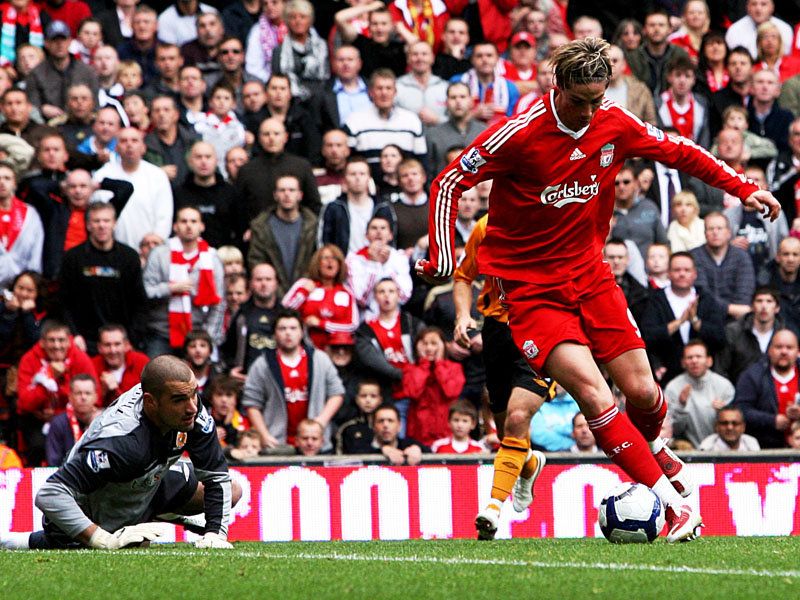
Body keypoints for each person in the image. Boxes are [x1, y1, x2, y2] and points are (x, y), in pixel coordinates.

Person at [419, 38, 782, 543]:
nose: (591, 111)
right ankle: (674, 505)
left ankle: (653, 445)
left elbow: (681, 152)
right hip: (531, 292)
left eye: (599, 98)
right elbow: (449, 181)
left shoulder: (614, 121)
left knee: (642, 392)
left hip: (591, 277)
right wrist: (440, 253)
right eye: (581, 100)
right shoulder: (519, 134)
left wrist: (743, 187)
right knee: (594, 394)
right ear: (557, 86)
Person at [0, 355, 240, 550]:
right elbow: (51, 494)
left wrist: (215, 535)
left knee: (233, 490)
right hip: (93, 505)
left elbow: (215, 477)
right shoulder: (122, 441)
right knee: (132, 543)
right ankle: (41, 540)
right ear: (151, 401)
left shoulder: (190, 406)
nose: (192, 407)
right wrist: (103, 539)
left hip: (146, 481)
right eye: (179, 399)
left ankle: (155, 513)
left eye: (193, 394)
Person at [453, 212, 553, 539]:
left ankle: (493, 508)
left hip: (541, 327)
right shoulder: (485, 227)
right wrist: (461, 316)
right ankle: (528, 466)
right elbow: (463, 276)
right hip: (497, 330)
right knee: (506, 427)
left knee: (518, 416)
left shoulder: (552, 221)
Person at [241, 309, 344, 452]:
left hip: (315, 443)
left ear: (302, 332)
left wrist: (320, 422)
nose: (288, 333)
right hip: (278, 442)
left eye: (293, 328)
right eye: (282, 328)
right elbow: (251, 404)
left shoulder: (319, 359)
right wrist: (264, 434)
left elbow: (337, 393)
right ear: (274, 333)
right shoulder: (263, 364)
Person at [59, 202, 146, 355]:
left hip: (120, 341)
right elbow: (64, 301)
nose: (102, 226)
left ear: (114, 223)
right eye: (96, 221)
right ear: (88, 225)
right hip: (85, 341)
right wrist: (74, 334)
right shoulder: (73, 257)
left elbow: (139, 302)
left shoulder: (129, 257)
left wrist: (131, 338)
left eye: (106, 221)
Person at [143, 205, 225, 358]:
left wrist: (208, 336)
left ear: (201, 226)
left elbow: (219, 302)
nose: (188, 225)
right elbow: (146, 290)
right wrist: (171, 288)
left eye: (193, 221)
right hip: (162, 332)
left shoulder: (212, 258)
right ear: (175, 226)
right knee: (155, 379)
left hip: (197, 335)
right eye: (184, 221)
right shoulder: (159, 254)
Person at [16, 319, 97, 466]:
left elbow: (93, 394)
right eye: (51, 340)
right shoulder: (29, 360)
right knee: (36, 445)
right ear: (42, 342)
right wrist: (49, 378)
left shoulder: (80, 358)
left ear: (69, 341)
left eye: (61, 340)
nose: (57, 345)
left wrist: (58, 414)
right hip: (38, 420)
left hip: (71, 416)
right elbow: (25, 403)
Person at [641, 251, 726, 385]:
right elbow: (648, 336)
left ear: (694, 274)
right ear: (668, 273)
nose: (682, 274)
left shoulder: (706, 298)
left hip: (704, 376)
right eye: (677, 270)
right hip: (666, 373)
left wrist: (695, 322)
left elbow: (720, 337)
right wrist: (679, 322)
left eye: (687, 270)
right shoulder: (655, 300)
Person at [93, 127, 174, 251]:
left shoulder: (157, 176)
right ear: (116, 147)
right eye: (124, 141)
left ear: (143, 147)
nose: (129, 145)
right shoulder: (102, 175)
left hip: (149, 249)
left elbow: (164, 214)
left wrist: (156, 239)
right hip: (110, 249)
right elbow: (95, 212)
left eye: (134, 141)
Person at [343, 69, 427, 179]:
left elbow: (421, 162)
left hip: (405, 188)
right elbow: (349, 161)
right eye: (379, 88)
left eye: (388, 88)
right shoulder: (354, 121)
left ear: (395, 92)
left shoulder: (412, 121)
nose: (384, 93)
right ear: (370, 92)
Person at [235, 117, 321, 222]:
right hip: (258, 234)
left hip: (296, 232)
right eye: (266, 134)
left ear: (285, 137)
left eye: (276, 134)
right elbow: (239, 208)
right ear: (259, 138)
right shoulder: (247, 170)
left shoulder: (301, 166)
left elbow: (313, 204)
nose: (271, 138)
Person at [246, 173, 318, 295]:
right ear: (275, 195)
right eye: (282, 190)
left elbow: (317, 261)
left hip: (308, 293)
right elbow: (256, 261)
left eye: (291, 190)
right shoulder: (261, 227)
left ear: (300, 195)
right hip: (272, 297)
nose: (287, 194)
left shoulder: (314, 226)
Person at [282, 244, 358, 350]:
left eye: (334, 258)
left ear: (340, 265)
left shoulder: (346, 292)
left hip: (337, 351)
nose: (330, 261)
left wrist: (321, 324)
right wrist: (303, 293)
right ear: (318, 263)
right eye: (325, 258)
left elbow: (352, 326)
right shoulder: (303, 284)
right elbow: (284, 311)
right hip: (304, 347)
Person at [734, 328, 800, 448]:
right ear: (769, 350)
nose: (784, 352)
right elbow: (741, 410)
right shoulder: (752, 376)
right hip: (764, 448)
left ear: (797, 351)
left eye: (789, 347)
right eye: (779, 347)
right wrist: (771, 420)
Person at [173, 141, 244, 251]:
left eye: (208, 157)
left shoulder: (230, 192)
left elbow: (240, 229)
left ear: (216, 161)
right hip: (186, 256)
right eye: (198, 157)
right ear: (190, 162)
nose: (203, 161)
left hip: (223, 257)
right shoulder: (178, 193)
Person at [664, 340, 735, 448]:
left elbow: (735, 425)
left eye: (699, 356)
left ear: (709, 361)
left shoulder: (724, 386)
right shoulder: (673, 388)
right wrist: (681, 407)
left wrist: (722, 412)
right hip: (687, 450)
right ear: (683, 362)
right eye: (690, 357)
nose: (694, 361)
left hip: (721, 449)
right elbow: (670, 431)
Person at [402, 326, 465, 447]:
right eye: (425, 343)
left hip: (445, 432)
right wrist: (424, 364)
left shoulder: (454, 368)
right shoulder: (411, 369)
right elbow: (412, 392)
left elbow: (451, 392)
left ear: (443, 345)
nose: (429, 348)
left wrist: (439, 363)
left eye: (434, 343)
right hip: (418, 434)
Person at [319, 156, 394, 256]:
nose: (357, 178)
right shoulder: (333, 208)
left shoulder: (383, 208)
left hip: (377, 265)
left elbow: (392, 241)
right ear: (345, 179)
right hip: (343, 267)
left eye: (362, 174)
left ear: (369, 178)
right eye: (353, 174)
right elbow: (324, 242)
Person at [25, 20, 98, 120]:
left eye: (63, 40)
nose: (60, 44)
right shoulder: (36, 74)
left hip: (81, 123)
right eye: (55, 40)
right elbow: (31, 107)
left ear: (70, 42)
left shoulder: (87, 71)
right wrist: (42, 108)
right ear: (46, 43)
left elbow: (96, 106)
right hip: (47, 125)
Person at [691, 212, 757, 321]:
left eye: (719, 228)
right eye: (710, 229)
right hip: (703, 319)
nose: (715, 232)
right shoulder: (694, 256)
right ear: (705, 233)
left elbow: (744, 294)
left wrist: (735, 310)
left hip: (737, 321)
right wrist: (731, 308)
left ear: (728, 233)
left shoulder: (742, 257)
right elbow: (702, 295)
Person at [347, 215, 413, 320]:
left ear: (391, 235)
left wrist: (385, 265)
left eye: (383, 228)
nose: (378, 232)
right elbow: (361, 299)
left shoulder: (400, 258)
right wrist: (373, 264)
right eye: (374, 228)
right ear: (366, 235)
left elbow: (404, 297)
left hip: (394, 320)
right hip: (365, 320)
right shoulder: (354, 260)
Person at [221, 263, 278, 377]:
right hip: (246, 381)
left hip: (278, 382)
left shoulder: (285, 314)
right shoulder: (241, 314)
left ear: (276, 283)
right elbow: (227, 350)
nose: (264, 284)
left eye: (268, 279)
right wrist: (230, 371)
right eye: (259, 279)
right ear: (251, 284)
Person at [718, 287, 784, 384]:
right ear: (752, 306)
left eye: (769, 301)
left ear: (777, 308)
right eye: (759, 301)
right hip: (739, 393)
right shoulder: (733, 332)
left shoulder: (784, 335)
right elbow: (721, 368)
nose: (764, 306)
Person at [426, 82, 485, 179]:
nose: (458, 101)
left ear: (471, 101)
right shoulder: (433, 135)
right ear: (446, 102)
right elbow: (428, 173)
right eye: (453, 97)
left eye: (462, 97)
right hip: (444, 191)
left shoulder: (483, 132)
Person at [625, 9, 691, 97]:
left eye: (661, 25)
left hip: (672, 104)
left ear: (670, 29)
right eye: (652, 25)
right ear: (644, 29)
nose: (656, 29)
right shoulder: (633, 57)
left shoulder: (680, 54)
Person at [0, 161, 43, 289]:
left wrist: (29, 285)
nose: (2, 183)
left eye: (7, 178)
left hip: (20, 293)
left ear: (15, 183)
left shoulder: (29, 214)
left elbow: (36, 254)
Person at [45, 374, 100, 466]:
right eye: (78, 393)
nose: (83, 397)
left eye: (88, 393)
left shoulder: (104, 421)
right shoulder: (58, 423)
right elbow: (53, 461)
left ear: (95, 397)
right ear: (70, 397)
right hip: (66, 476)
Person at [92, 324, 148, 407]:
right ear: (99, 347)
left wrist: (115, 390)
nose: (113, 350)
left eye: (117, 344)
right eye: (107, 345)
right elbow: (87, 407)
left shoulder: (141, 362)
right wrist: (103, 391)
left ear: (126, 345)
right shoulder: (93, 365)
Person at [395, 40, 448, 127]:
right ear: (408, 59)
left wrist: (437, 120)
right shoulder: (397, 86)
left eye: (424, 54)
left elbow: (455, 120)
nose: (420, 58)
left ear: (432, 58)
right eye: (415, 54)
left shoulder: (445, 87)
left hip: (439, 139)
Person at [758, 236, 800, 333]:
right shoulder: (764, 283)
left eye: (795, 254)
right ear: (778, 257)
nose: (790, 259)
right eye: (786, 254)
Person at [603, 238, 650, 324]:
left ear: (627, 260)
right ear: (604, 259)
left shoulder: (641, 293)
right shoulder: (592, 289)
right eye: (611, 257)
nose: (616, 261)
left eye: (620, 257)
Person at [334, 378, 383, 454]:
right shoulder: (348, 428)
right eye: (363, 396)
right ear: (357, 399)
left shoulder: (386, 425)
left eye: (373, 396)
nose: (368, 400)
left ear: (380, 400)